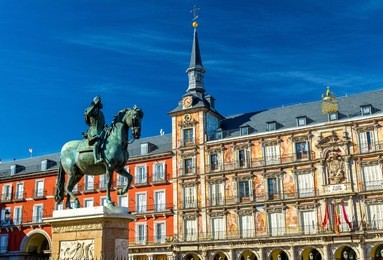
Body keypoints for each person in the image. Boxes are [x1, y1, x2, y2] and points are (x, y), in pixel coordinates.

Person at [83, 95, 106, 163]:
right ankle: (96, 159)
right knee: (97, 142)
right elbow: (87, 114)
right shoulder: (89, 109)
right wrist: (94, 106)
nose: (98, 103)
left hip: (102, 130)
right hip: (94, 129)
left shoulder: (101, 113)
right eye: (97, 102)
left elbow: (103, 123)